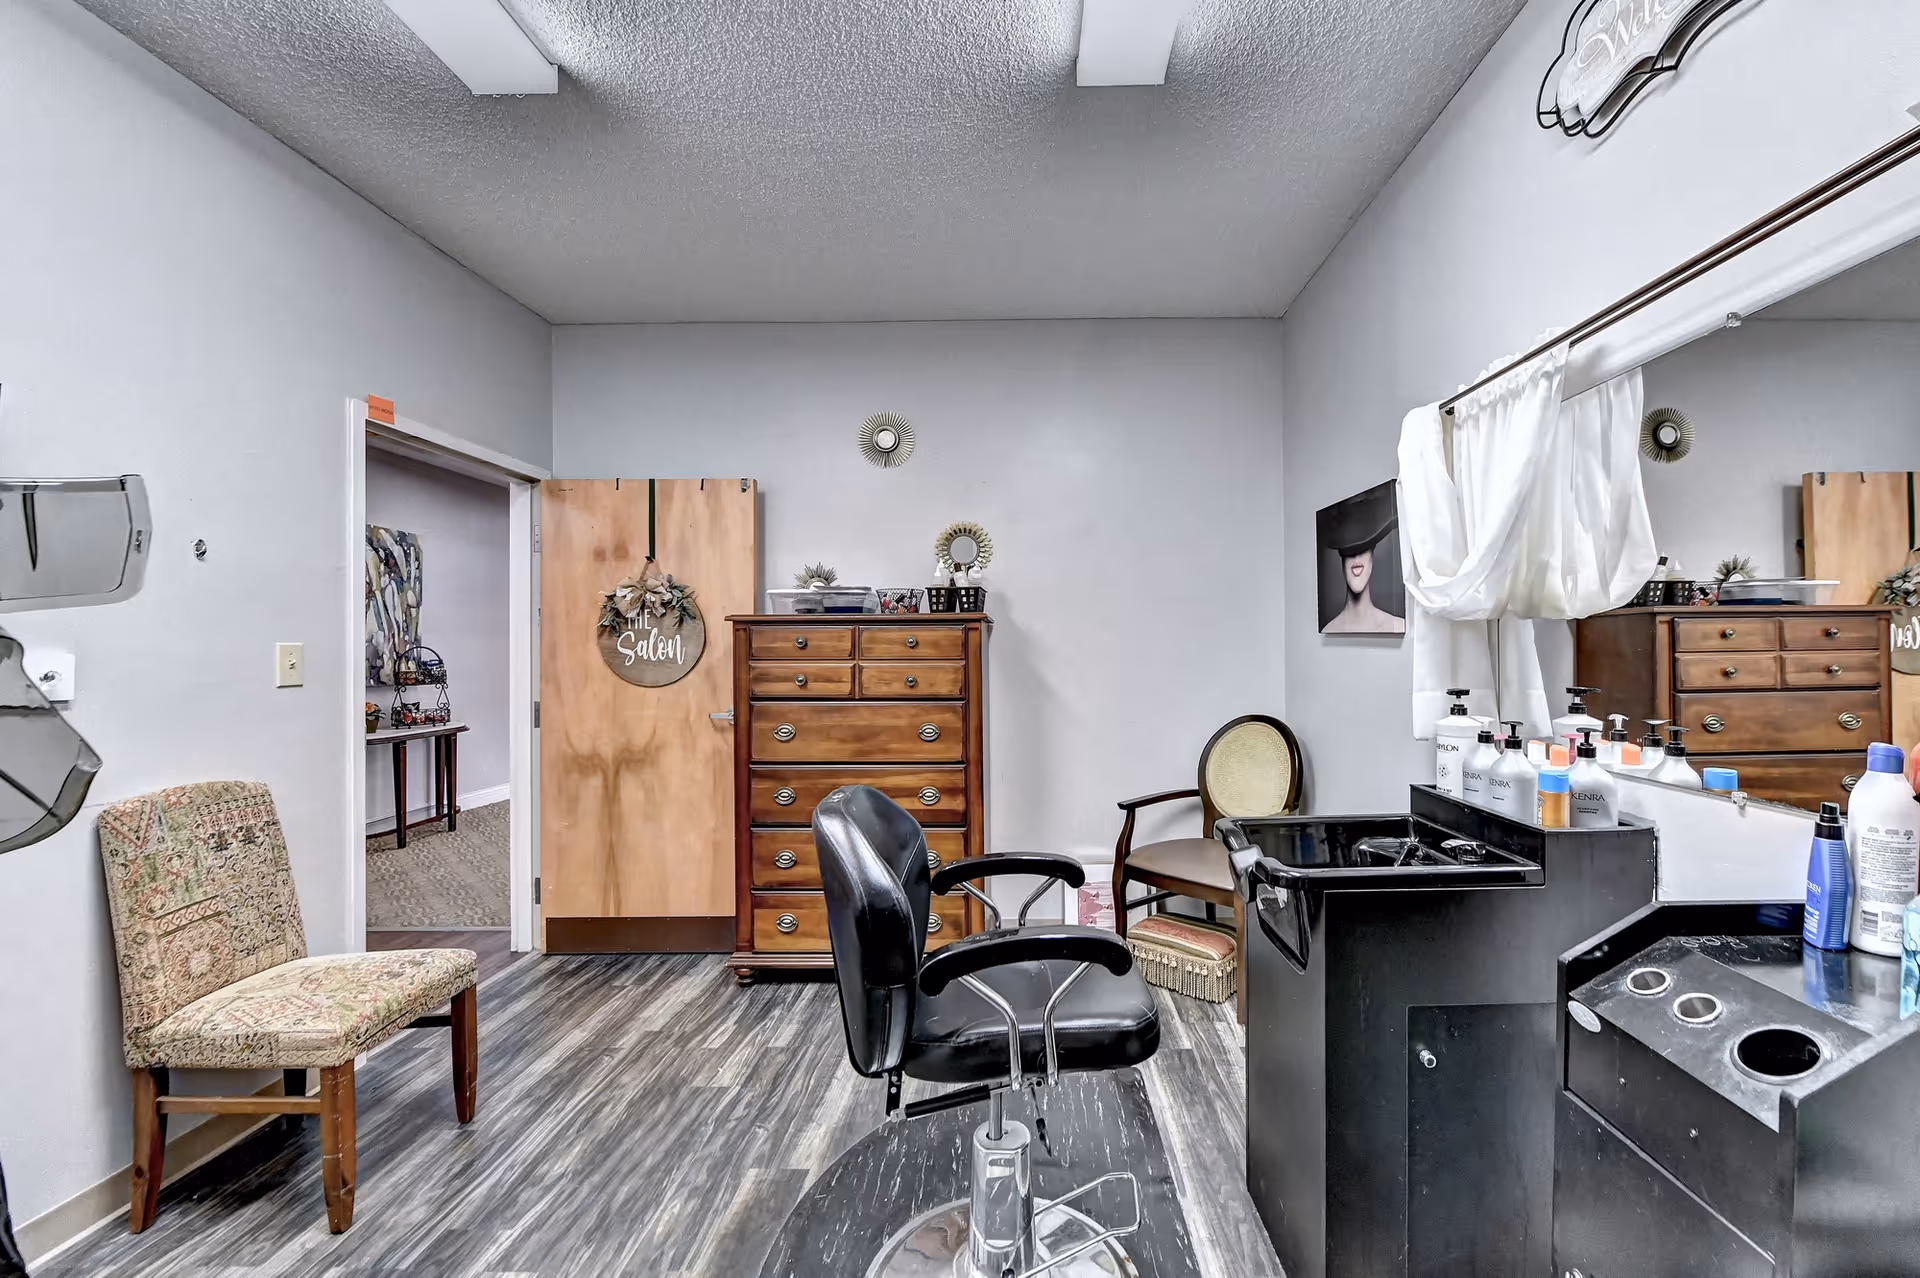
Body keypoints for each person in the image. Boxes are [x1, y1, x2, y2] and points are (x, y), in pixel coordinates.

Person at [1320, 487, 1404, 634]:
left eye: (1364, 544)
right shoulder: (1329, 630)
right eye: (1349, 548)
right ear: (1341, 552)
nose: (1356, 555)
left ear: (1373, 551)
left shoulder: (1398, 626)